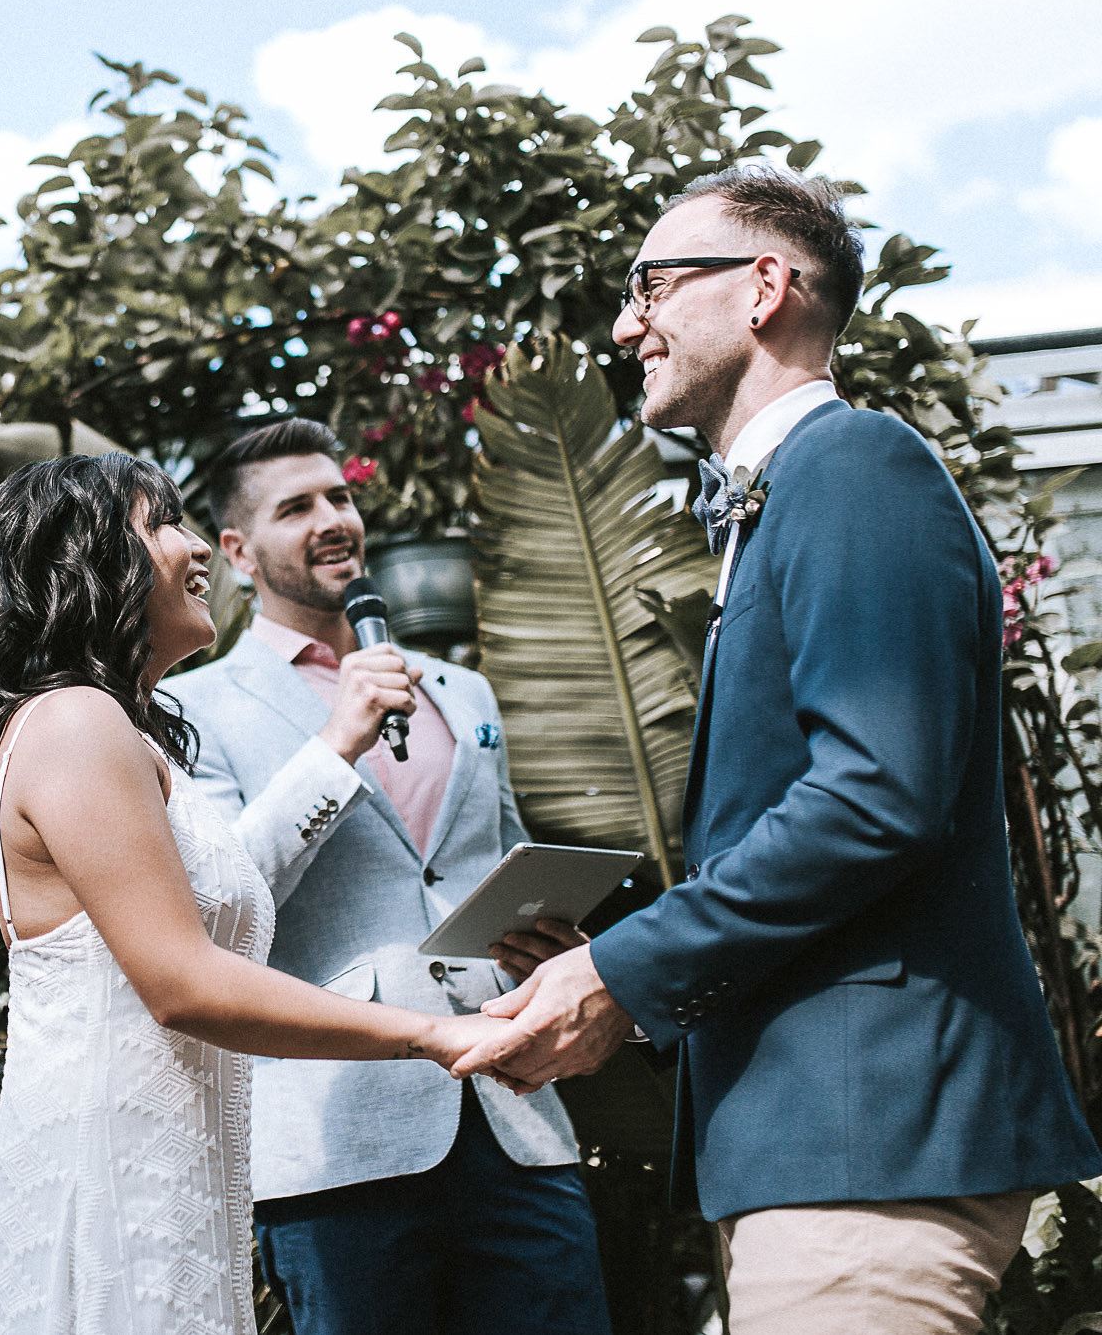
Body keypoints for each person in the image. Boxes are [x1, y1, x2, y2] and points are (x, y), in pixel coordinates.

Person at [451, 166, 1102, 1334]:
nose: (622, 323)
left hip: (872, 1135)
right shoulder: (792, 495)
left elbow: (874, 799)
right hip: (822, 1141)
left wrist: (618, 971)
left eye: (650, 284)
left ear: (762, 287)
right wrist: (609, 965)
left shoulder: (853, 469)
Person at [0, 454, 513, 1335]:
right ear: (89, 563)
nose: (196, 544)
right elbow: (184, 983)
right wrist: (433, 1035)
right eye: (161, 522)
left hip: (178, 1166)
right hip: (114, 1170)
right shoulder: (72, 722)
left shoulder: (125, 733)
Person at [165, 418, 609, 1335]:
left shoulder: (460, 691)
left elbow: (498, 858)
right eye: (298, 508)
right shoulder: (192, 708)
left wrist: (555, 935)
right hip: (340, 1137)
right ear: (239, 551)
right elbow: (220, 904)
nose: (334, 520)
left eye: (340, 497)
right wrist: (337, 743)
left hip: (516, 1114)